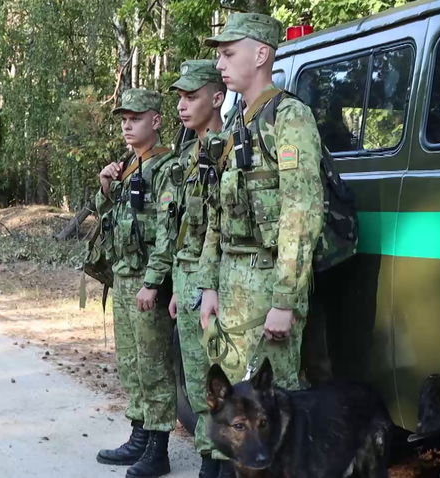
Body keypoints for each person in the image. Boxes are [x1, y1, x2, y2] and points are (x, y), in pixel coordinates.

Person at [195, 12, 325, 465]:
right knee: (237, 415)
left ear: (263, 54)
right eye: (219, 54)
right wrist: (206, 287)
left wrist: (285, 300)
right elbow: (216, 212)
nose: (221, 63)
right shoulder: (233, 129)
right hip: (231, 286)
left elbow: (301, 210)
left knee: (275, 415)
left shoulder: (289, 118)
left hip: (270, 285)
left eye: (230, 53)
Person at [94, 88, 177, 478]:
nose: (128, 125)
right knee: (130, 363)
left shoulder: (166, 168)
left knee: (154, 365)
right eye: (124, 119)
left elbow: (167, 232)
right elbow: (114, 219)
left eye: (136, 118)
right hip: (125, 277)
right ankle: (139, 435)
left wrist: (155, 281)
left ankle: (158, 446)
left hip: (146, 283)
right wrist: (106, 187)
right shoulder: (129, 165)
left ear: (156, 121)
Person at [159, 59, 226, 478]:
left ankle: (218, 463)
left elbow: (223, 225)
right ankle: (208, 461)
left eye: (192, 97)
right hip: (187, 279)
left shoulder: (228, 149)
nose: (182, 106)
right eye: (180, 98)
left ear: (216, 98)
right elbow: (181, 224)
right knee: (198, 380)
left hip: (213, 280)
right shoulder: (189, 153)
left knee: (217, 380)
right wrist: (175, 288)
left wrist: (206, 285)